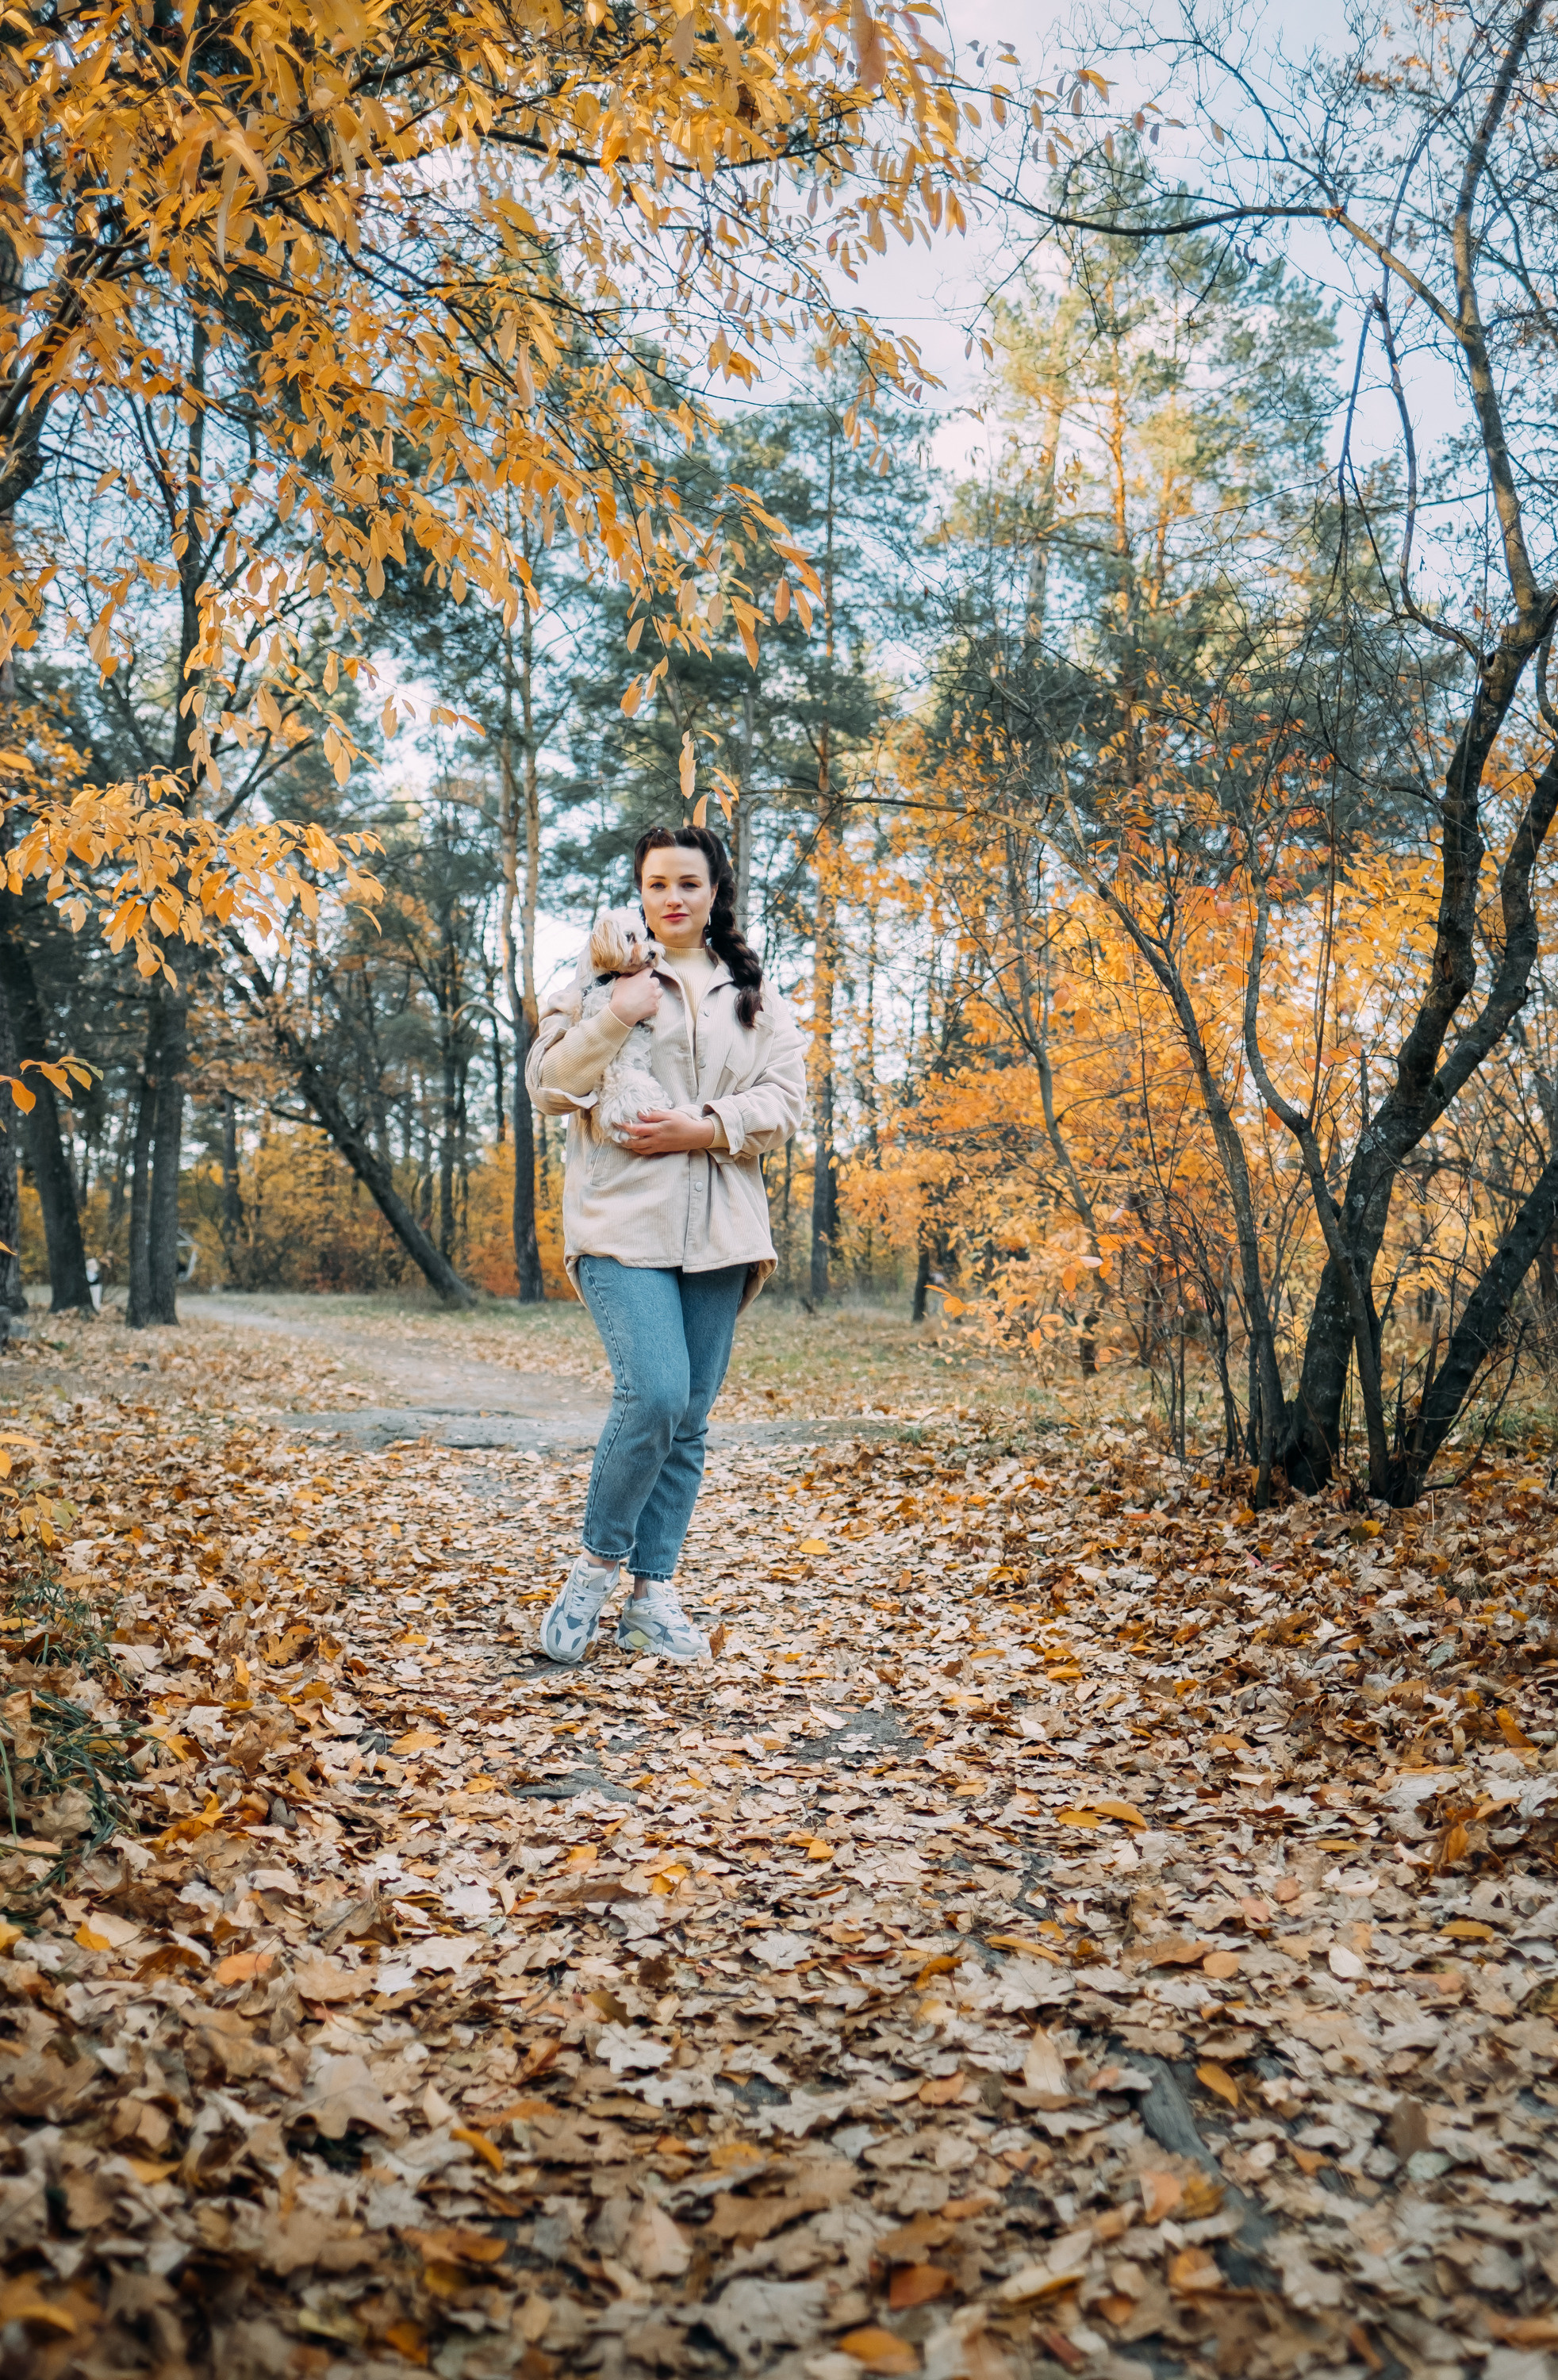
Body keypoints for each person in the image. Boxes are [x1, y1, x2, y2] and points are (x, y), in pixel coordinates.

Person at [526, 825, 807, 1664]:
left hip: (722, 1232)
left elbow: (785, 1102)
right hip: (621, 1225)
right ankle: (592, 1571)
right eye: (656, 885)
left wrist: (706, 1125)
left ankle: (655, 1595)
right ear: (638, 893)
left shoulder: (751, 995)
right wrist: (615, 1014)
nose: (672, 899)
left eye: (688, 883)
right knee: (651, 1396)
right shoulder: (597, 977)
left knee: (686, 1422)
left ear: (715, 891)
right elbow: (550, 1089)